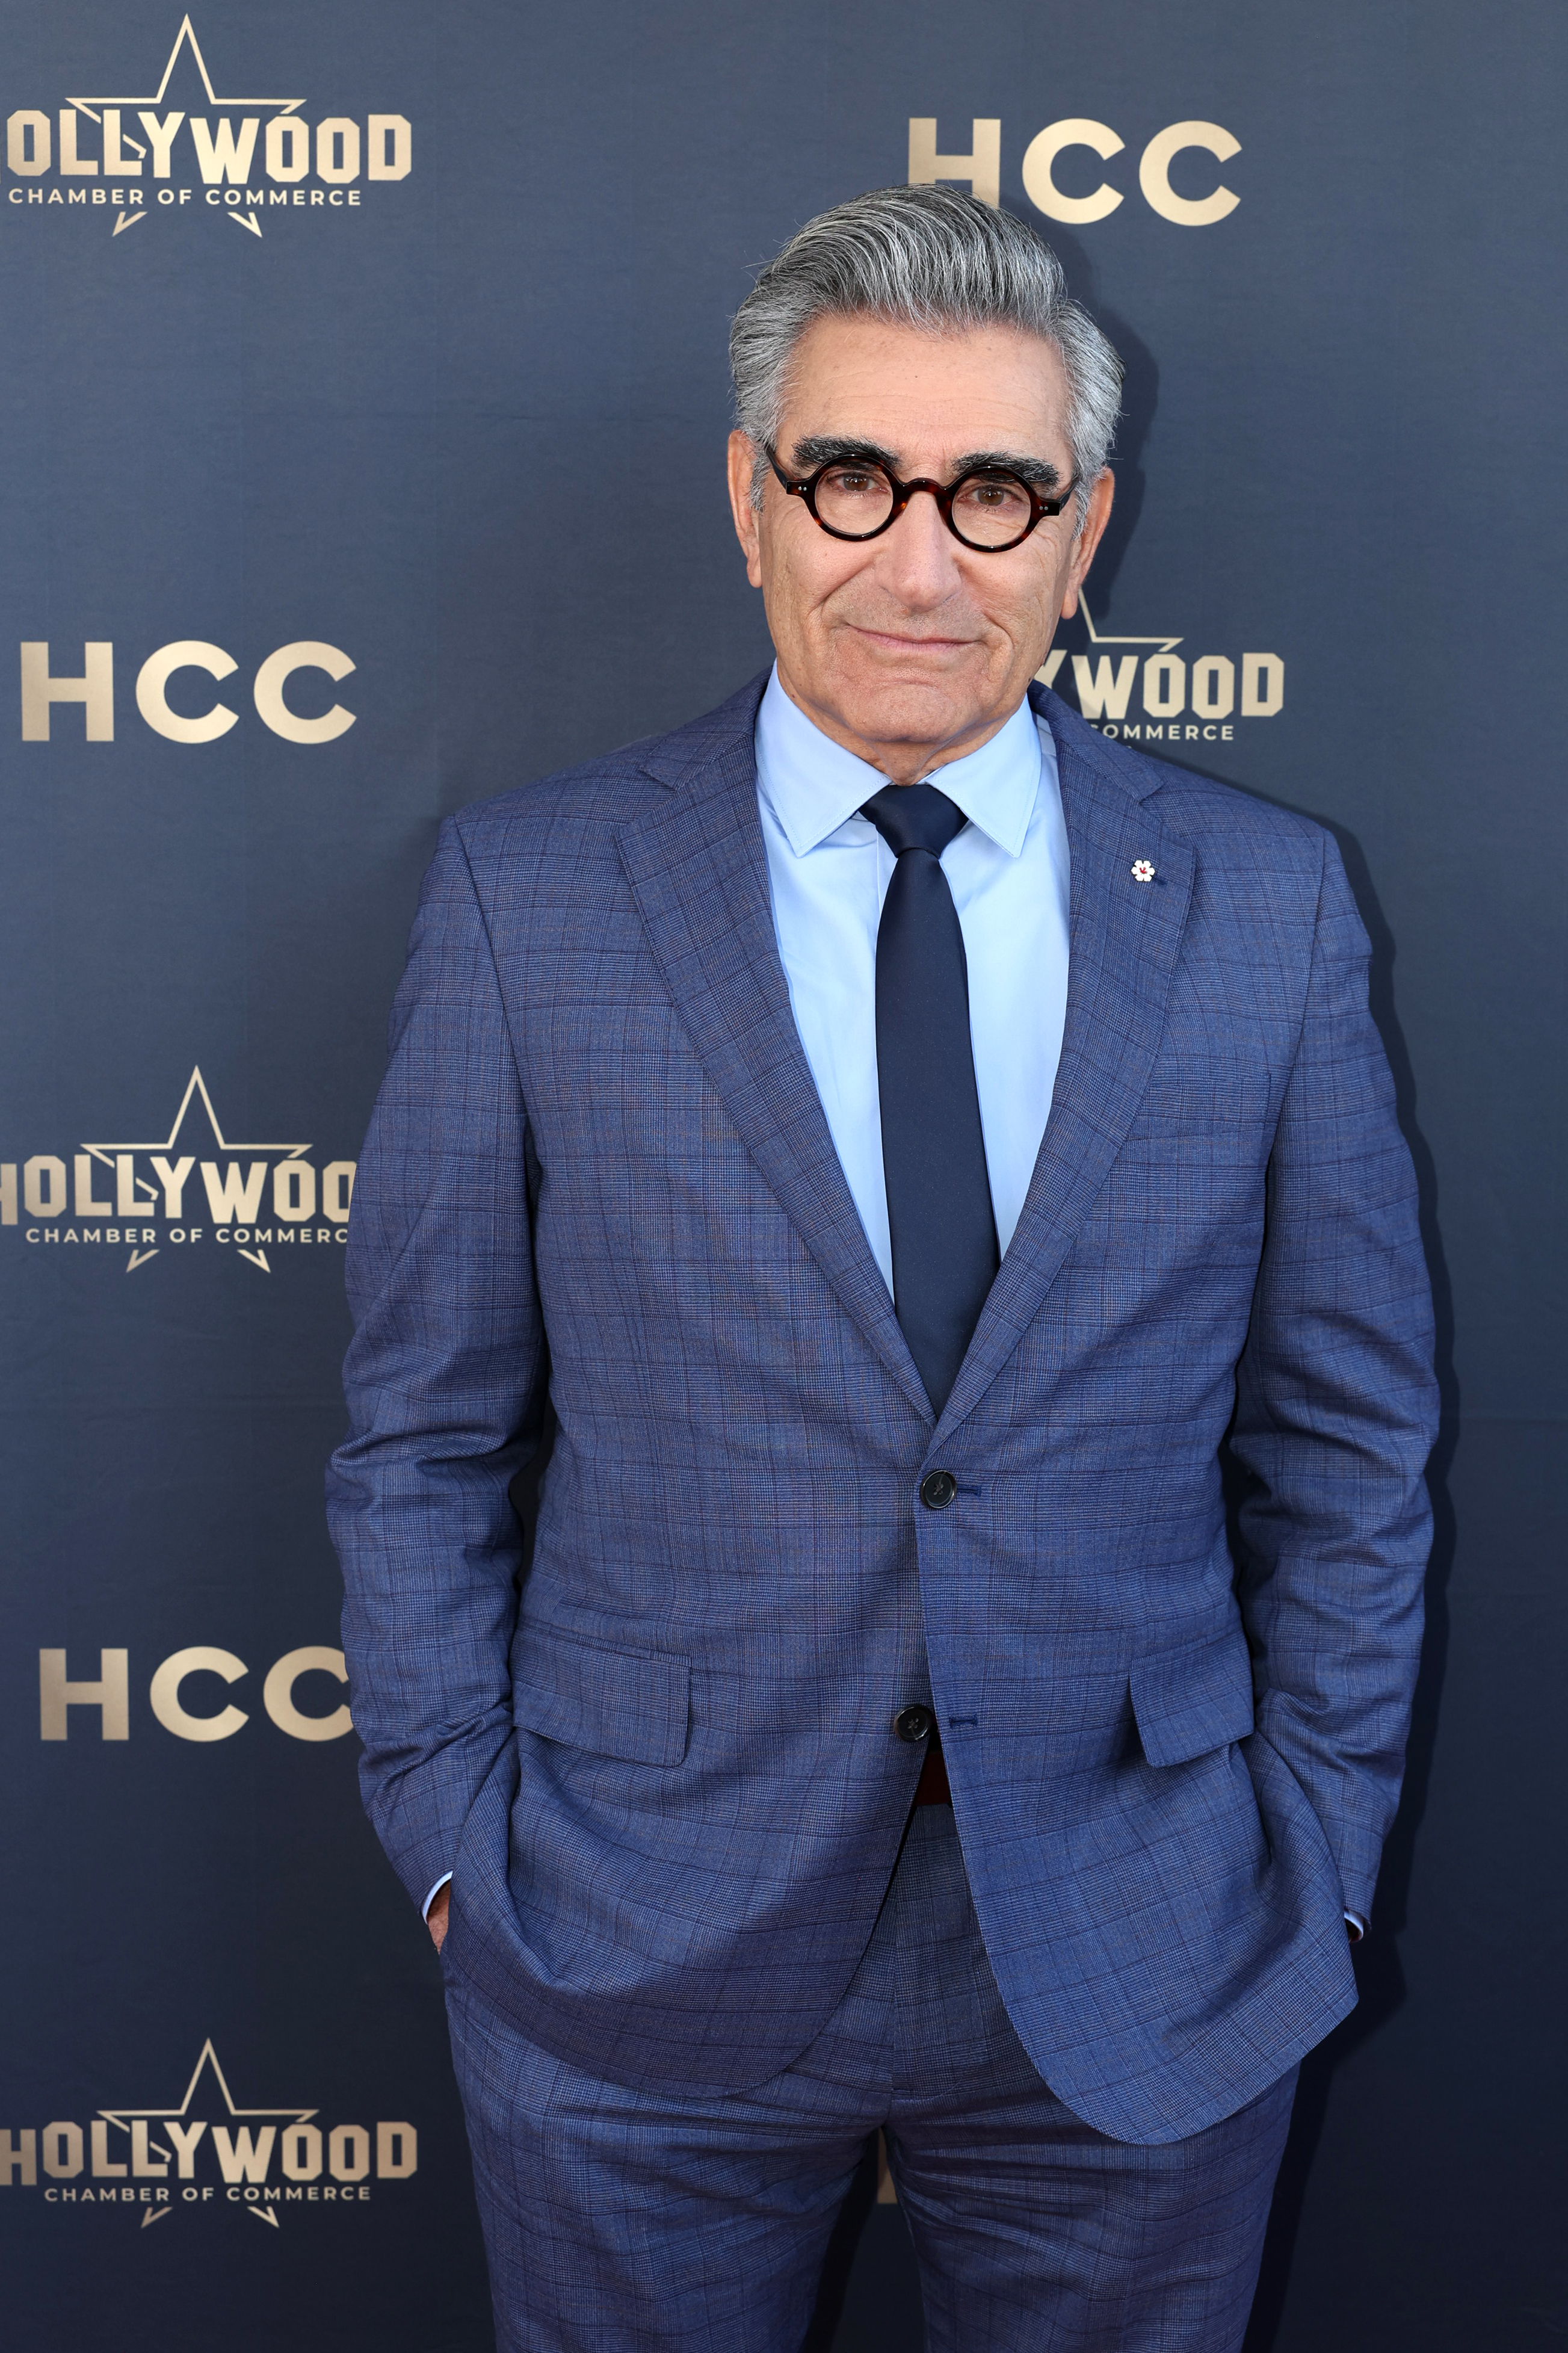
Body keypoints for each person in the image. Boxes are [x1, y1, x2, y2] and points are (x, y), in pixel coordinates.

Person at [328, 185, 1437, 2352]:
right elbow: (424, 1430)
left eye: (995, 492)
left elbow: (1352, 1441)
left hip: (1146, 1935)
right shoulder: (530, 902)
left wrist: (1307, 1853)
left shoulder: (1267, 908)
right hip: (632, 1929)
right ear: (753, 500)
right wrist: (461, 1841)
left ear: (1083, 531)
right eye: (854, 477)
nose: (920, 562)